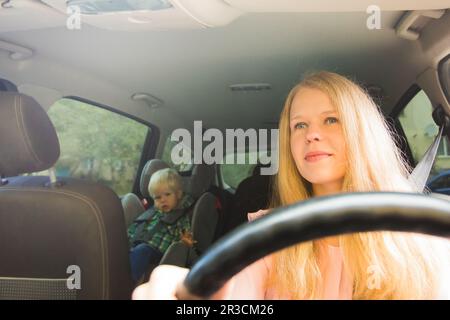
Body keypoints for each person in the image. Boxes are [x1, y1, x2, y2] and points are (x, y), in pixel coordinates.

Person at [133, 71, 450, 299]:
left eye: (331, 119)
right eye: (299, 125)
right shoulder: (267, 233)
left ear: (362, 131)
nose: (311, 134)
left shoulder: (421, 230)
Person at [128, 168, 195, 284]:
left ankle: (127, 281)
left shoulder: (180, 218)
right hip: (138, 246)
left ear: (178, 194)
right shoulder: (151, 213)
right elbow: (135, 227)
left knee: (143, 250)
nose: (163, 200)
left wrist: (186, 241)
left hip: (158, 252)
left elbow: (185, 238)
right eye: (157, 197)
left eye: (167, 194)